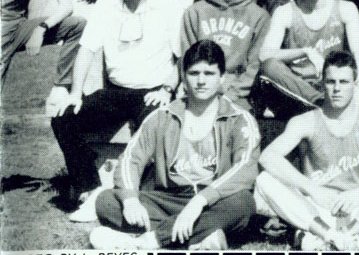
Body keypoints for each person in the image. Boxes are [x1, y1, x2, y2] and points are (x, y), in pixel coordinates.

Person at [50, 0, 183, 222]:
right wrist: (75, 93)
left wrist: (167, 89)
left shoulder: (167, 4)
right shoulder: (105, 4)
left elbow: (183, 56)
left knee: (150, 133)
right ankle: (91, 191)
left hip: (153, 92)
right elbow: (86, 50)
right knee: (64, 118)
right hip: (115, 92)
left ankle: (138, 199)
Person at [89, 40, 260, 250]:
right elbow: (131, 158)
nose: (201, 81)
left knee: (243, 203)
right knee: (107, 201)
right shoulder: (163, 116)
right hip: (169, 200)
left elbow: (245, 169)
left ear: (222, 77)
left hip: (213, 200)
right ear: (184, 77)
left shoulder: (238, 118)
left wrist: (199, 202)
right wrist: (131, 200)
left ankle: (150, 240)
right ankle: (203, 236)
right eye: (194, 73)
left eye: (209, 73)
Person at [254, 51, 359, 251]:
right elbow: (268, 157)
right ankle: (336, 236)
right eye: (331, 82)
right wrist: (312, 189)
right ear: (321, 84)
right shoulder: (305, 121)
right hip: (318, 207)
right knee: (264, 181)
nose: (337, 89)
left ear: (355, 84)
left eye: (344, 82)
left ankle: (344, 235)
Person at [258, 0, 359, 117]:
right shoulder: (285, 12)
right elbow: (264, 55)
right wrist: (305, 52)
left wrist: (357, 92)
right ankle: (322, 106)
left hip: (333, 85)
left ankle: (320, 106)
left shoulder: (346, 9)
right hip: (296, 88)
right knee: (270, 66)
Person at [180, 0, 270, 109]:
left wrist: (231, 95)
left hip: (236, 95)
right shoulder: (195, 12)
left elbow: (254, 66)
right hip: (200, 88)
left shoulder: (259, 16)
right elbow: (187, 58)